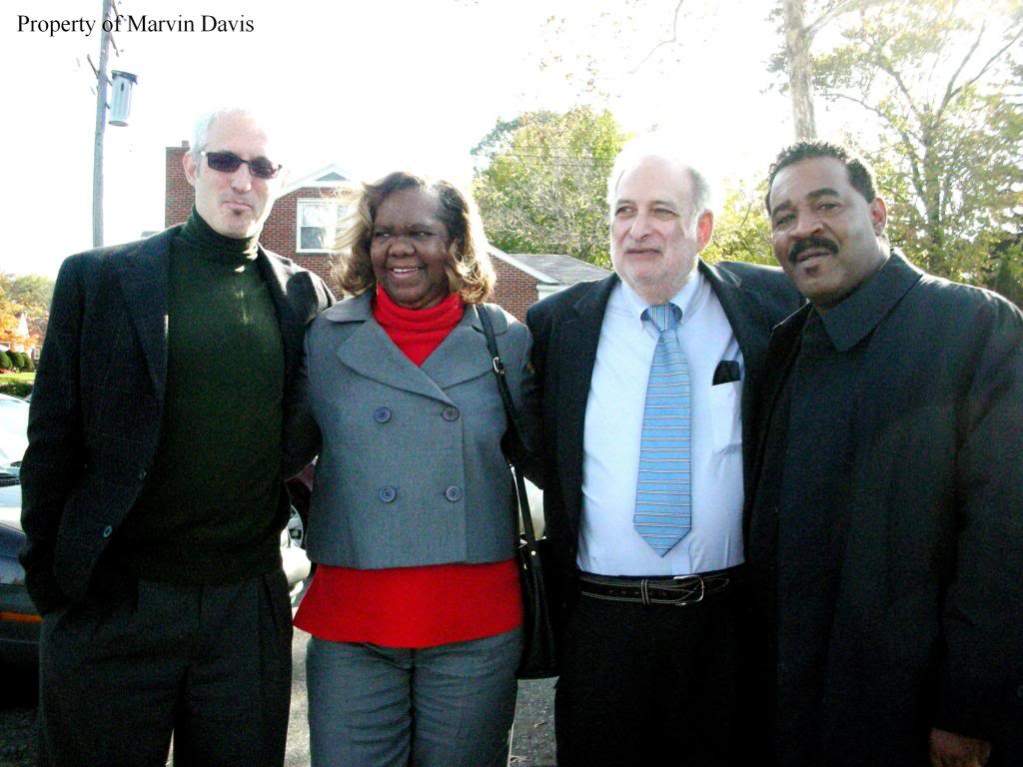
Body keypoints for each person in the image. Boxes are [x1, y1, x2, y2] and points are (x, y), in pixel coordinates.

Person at [20, 108, 333, 767]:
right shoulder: (99, 279)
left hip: (243, 607)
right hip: (117, 602)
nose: (241, 180)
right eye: (224, 160)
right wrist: (54, 581)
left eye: (261, 166)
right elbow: (50, 441)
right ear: (191, 166)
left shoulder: (305, 295)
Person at [524, 137, 800, 766]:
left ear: (702, 227)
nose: (638, 229)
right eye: (624, 211)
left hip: (727, 626)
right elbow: (536, 448)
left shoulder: (773, 310)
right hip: (601, 629)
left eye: (661, 211)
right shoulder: (556, 327)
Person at [746, 140, 1023, 766]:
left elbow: (1006, 538)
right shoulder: (785, 350)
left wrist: (968, 708)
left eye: (826, 205)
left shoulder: (972, 327)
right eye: (784, 217)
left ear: (877, 213)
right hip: (799, 710)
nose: (804, 228)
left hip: (921, 720)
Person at [293, 171, 536, 767]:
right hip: (355, 619)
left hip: (474, 620)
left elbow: (548, 457)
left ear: (455, 243)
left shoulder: (506, 341)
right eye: (383, 234)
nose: (398, 248)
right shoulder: (322, 338)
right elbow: (281, 449)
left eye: (420, 232)